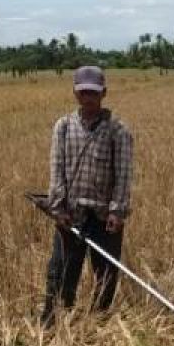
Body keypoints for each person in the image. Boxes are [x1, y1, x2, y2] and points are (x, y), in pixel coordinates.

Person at [42, 65, 134, 325]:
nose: (88, 98)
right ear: (75, 93)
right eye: (83, 92)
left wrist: (118, 211)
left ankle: (99, 323)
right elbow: (56, 169)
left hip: (105, 217)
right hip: (71, 214)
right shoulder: (63, 127)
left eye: (93, 93)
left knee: (105, 273)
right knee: (61, 270)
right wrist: (57, 207)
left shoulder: (118, 130)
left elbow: (124, 175)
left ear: (104, 93)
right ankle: (54, 320)